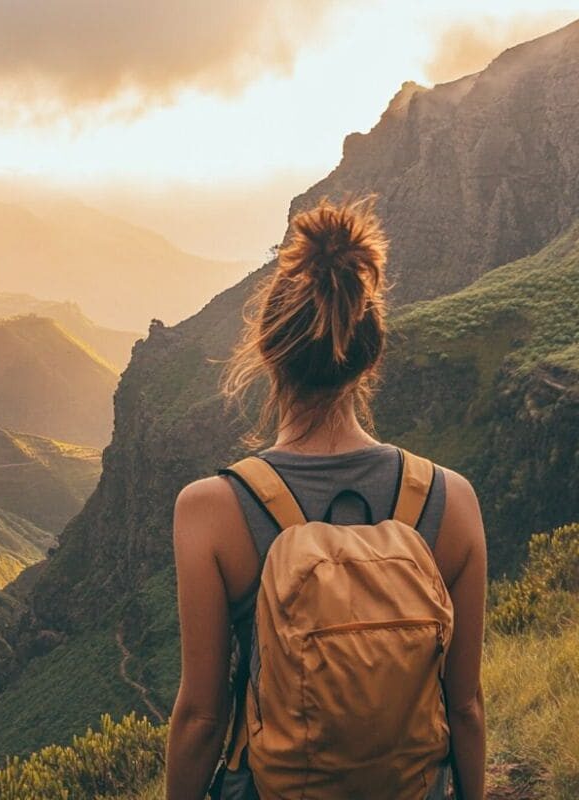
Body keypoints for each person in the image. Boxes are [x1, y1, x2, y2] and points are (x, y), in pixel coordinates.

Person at [165, 197, 486, 800]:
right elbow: (464, 705)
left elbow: (201, 718)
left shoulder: (209, 509)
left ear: (267, 352)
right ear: (371, 356)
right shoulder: (452, 500)